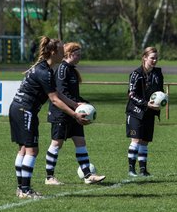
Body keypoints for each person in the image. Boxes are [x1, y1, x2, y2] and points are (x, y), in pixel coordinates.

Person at [9, 36, 89, 199]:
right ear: (53, 52)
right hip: (25, 110)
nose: (63, 53)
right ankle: (25, 189)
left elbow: (57, 93)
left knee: (23, 149)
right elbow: (54, 100)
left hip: (17, 108)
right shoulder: (44, 72)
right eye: (61, 51)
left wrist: (75, 104)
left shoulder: (45, 68)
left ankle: (21, 188)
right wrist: (75, 114)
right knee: (32, 150)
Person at [45, 42, 106, 185]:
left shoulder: (71, 70)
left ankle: (88, 175)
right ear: (70, 54)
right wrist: (78, 105)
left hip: (74, 112)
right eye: (78, 54)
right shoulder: (62, 70)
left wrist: (85, 103)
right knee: (56, 144)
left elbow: (73, 94)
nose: (80, 57)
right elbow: (61, 94)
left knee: (80, 142)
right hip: (61, 113)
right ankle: (49, 177)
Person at [125, 47, 164, 177]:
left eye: (156, 58)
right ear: (145, 57)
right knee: (136, 140)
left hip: (150, 112)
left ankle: (143, 170)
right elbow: (131, 95)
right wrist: (146, 103)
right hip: (136, 111)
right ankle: (131, 169)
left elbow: (159, 92)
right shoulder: (136, 74)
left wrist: (160, 102)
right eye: (152, 58)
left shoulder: (158, 73)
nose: (154, 60)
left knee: (145, 141)